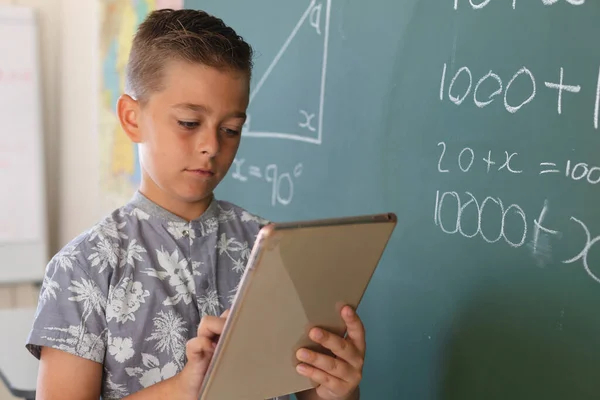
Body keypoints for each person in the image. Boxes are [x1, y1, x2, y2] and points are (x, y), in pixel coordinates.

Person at [25, 8, 365, 400]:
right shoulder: (84, 268)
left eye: (231, 130)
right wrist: (181, 390)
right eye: (189, 122)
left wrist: (339, 388)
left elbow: (309, 390)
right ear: (132, 118)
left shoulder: (273, 251)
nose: (211, 145)